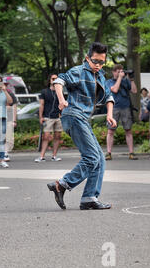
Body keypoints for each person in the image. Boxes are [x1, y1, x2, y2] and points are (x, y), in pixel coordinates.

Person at [47, 42, 116, 210]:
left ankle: (89, 198)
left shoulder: (100, 76)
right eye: (95, 61)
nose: (98, 65)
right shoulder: (78, 71)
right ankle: (62, 184)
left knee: (99, 159)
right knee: (92, 157)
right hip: (73, 115)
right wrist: (62, 100)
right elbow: (58, 81)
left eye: (102, 62)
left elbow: (109, 96)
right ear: (87, 58)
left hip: (82, 119)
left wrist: (109, 114)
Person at [105, 64, 138, 160]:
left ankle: (131, 153)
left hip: (126, 107)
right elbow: (114, 90)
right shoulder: (109, 82)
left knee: (128, 130)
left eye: (121, 71)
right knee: (110, 131)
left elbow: (134, 91)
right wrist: (119, 78)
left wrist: (131, 79)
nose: (120, 73)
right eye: (117, 71)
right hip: (114, 108)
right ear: (113, 72)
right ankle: (109, 153)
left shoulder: (125, 81)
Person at [35, 74, 63, 163]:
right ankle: (41, 156)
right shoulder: (44, 91)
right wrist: (41, 117)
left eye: (56, 79)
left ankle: (54, 156)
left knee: (57, 136)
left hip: (58, 117)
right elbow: (41, 105)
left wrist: (62, 114)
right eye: (53, 78)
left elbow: (62, 104)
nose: (54, 80)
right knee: (46, 137)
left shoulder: (60, 91)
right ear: (50, 80)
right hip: (48, 117)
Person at [3, 78, 17, 162]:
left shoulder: (10, 93)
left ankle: (6, 152)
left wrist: (14, 120)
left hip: (9, 118)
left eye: (5, 84)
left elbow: (14, 107)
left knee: (8, 136)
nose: (4, 85)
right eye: (3, 84)